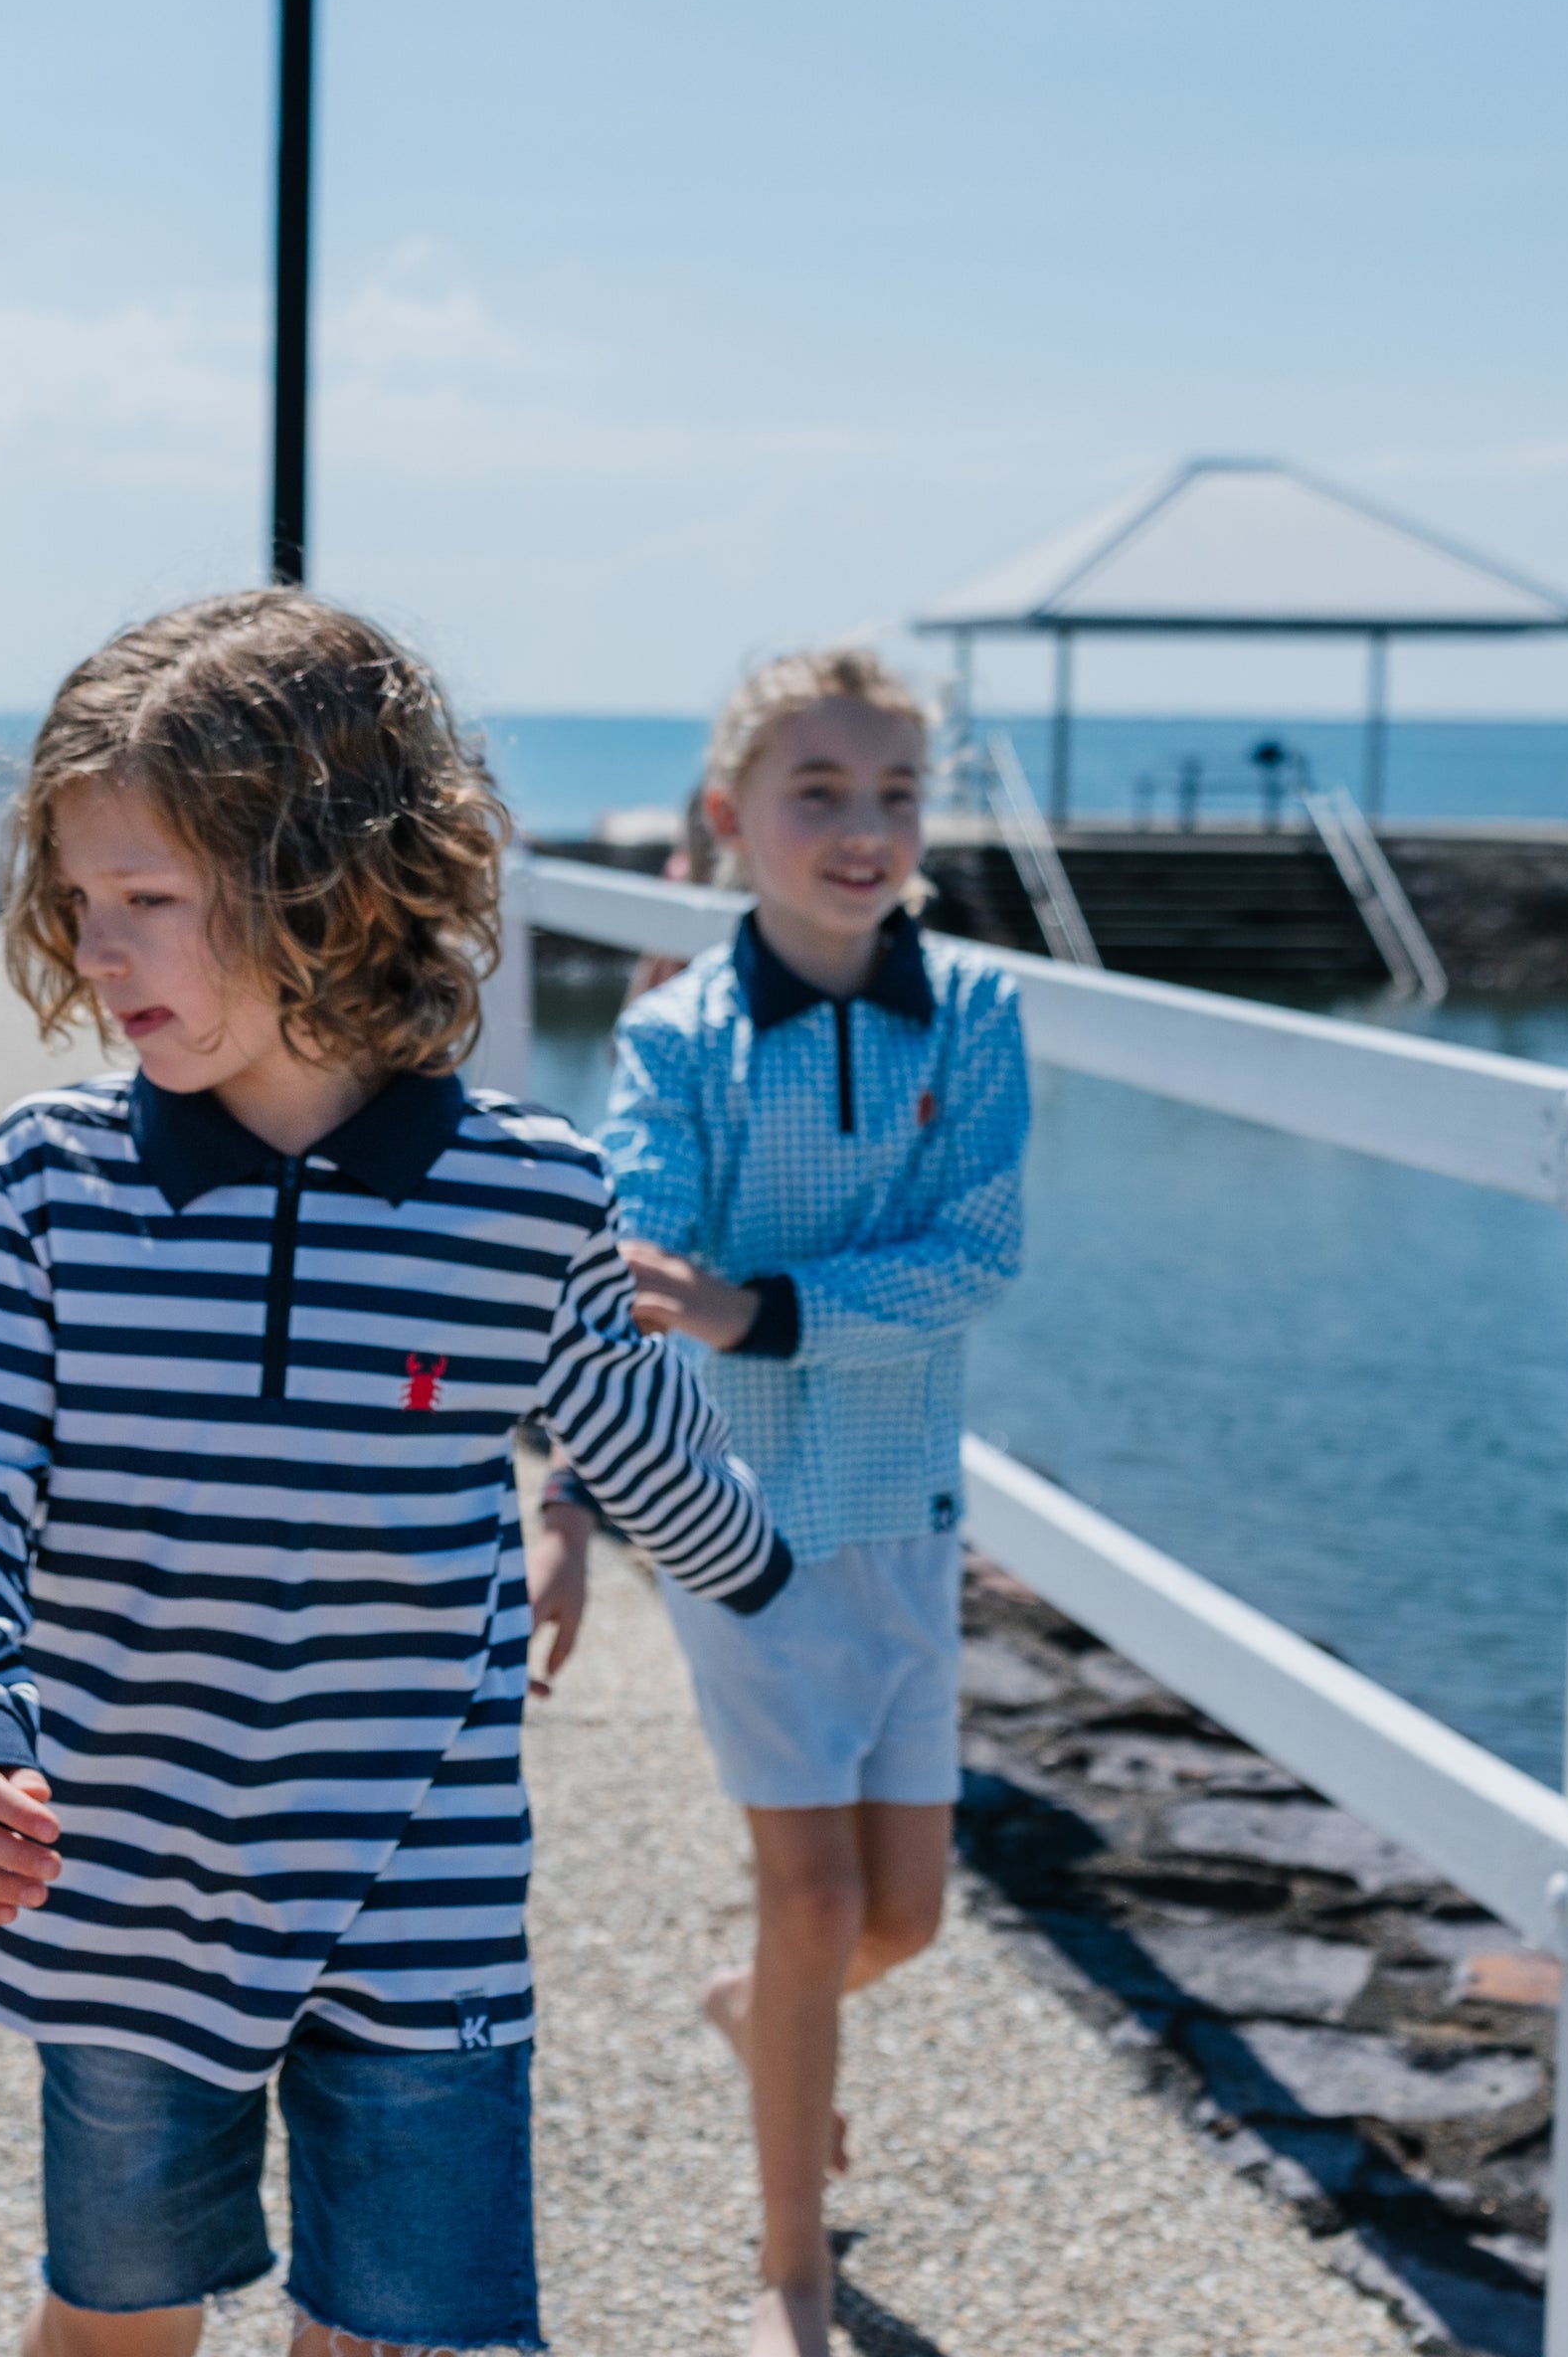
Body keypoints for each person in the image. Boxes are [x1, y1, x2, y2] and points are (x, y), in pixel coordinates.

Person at [0, 588, 787, 2357]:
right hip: (116, 1877)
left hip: (418, 1888)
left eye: (150, 901)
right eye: (78, 902)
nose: (98, 949)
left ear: (327, 883)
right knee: (116, 2320)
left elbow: (642, 1444)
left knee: (409, 2337)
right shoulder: (47, 1189)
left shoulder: (522, 1199)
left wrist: (766, 1571)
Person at [596, 643, 1028, 2357]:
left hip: (909, 1516)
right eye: (820, 792)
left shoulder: (978, 1014)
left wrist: (762, 1303)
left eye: (897, 793)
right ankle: (791, 2270)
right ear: (731, 821)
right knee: (817, 1900)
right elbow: (646, 1246)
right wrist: (723, 1301)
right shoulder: (675, 1034)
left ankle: (758, 2017)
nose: (864, 829)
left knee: (905, 1915)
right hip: (748, 1527)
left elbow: (977, 1255)